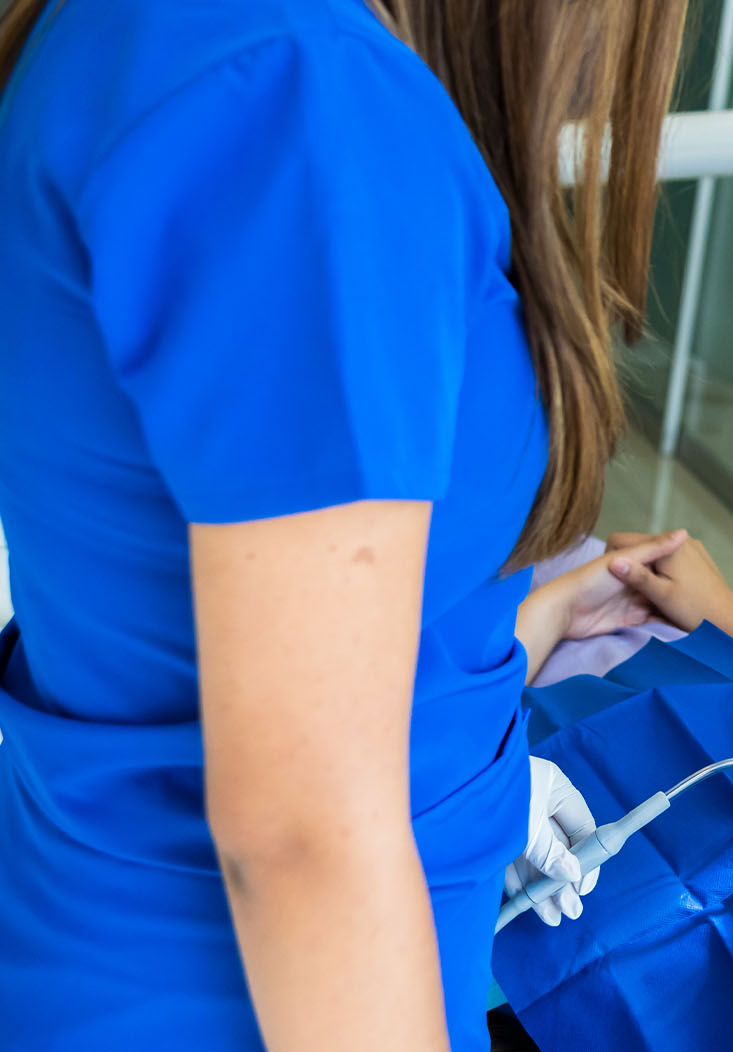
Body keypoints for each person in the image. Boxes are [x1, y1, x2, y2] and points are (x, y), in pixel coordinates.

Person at [0, 0, 686, 1046]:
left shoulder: (199, 49)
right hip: (236, 997)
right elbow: (302, 839)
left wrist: (502, 652)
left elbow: (176, 605)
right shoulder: (299, 93)